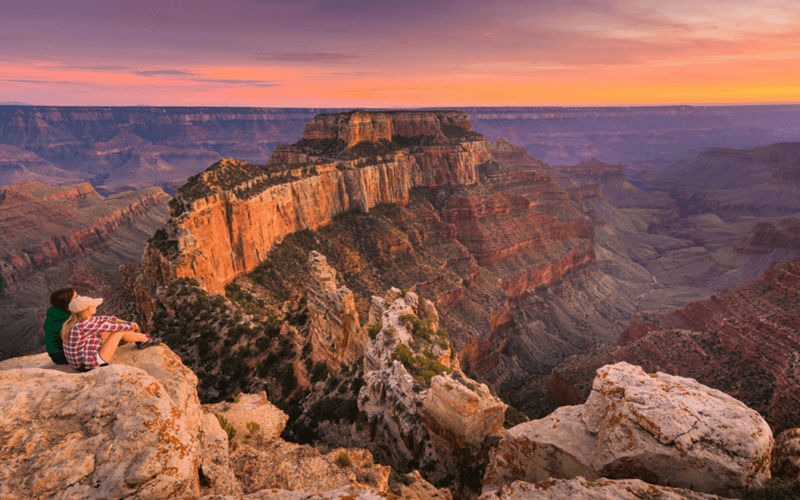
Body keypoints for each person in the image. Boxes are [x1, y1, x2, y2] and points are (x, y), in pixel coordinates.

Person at [61, 295, 158, 371]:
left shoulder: (77, 320)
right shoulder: (83, 325)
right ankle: (145, 340)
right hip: (88, 365)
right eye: (93, 305)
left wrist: (126, 322)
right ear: (86, 309)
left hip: (80, 363)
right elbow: (114, 327)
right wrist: (132, 326)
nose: (96, 306)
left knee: (107, 323)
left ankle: (140, 338)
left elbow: (106, 319)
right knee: (119, 331)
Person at [43, 288, 76, 365]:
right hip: (64, 356)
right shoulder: (67, 318)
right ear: (68, 301)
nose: (80, 297)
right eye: (75, 297)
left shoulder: (53, 314)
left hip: (55, 355)